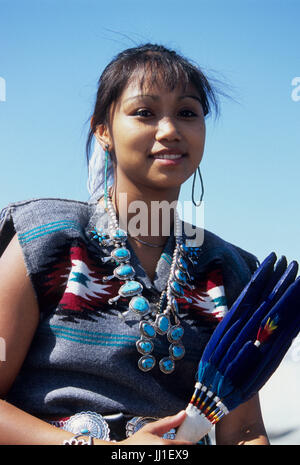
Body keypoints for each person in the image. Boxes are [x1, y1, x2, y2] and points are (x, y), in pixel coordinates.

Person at [0, 43, 269, 445]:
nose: (170, 130)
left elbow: (244, 430)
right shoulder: (47, 237)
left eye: (187, 113)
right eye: (145, 112)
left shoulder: (229, 269)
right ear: (103, 130)